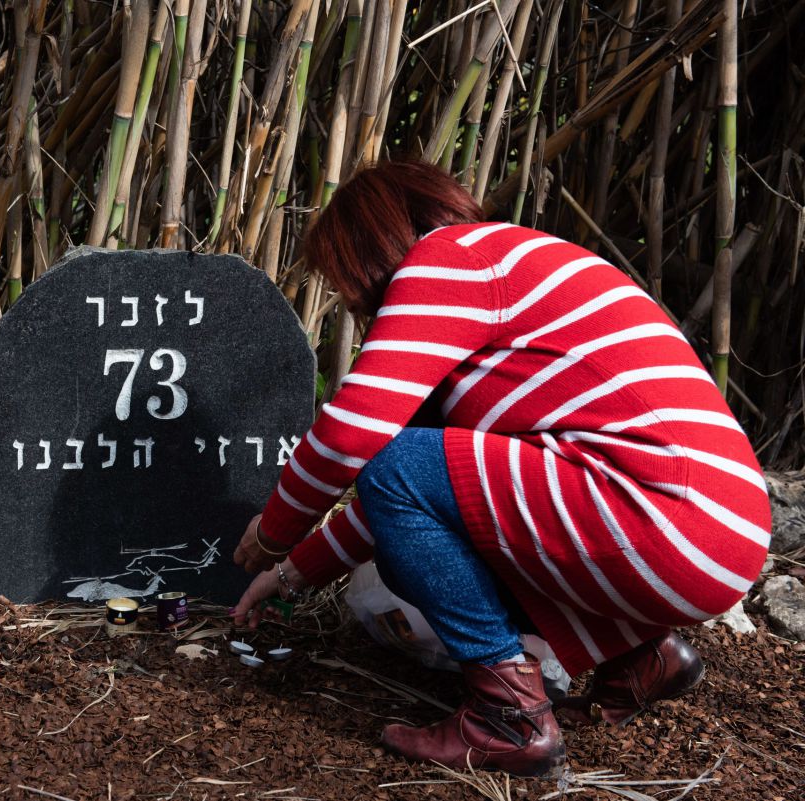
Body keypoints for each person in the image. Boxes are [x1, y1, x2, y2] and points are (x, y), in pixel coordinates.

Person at [230, 161, 771, 777]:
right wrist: (295, 573)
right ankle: (641, 655)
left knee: (392, 464)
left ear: (368, 247)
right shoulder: (509, 272)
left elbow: (356, 436)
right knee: (413, 481)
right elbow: (418, 502)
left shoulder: (453, 258)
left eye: (341, 278)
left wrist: (274, 531)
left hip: (665, 517)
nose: (352, 300)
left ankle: (506, 718)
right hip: (715, 533)